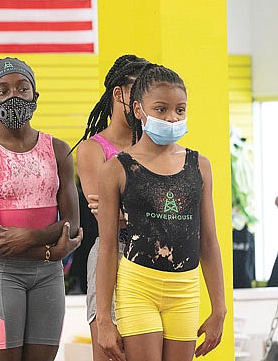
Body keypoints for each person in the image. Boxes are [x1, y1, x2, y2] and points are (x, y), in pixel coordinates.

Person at [96, 64, 226, 361]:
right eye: (161, 109)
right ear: (139, 109)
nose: (172, 118)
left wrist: (219, 308)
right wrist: (104, 318)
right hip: (138, 286)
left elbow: (209, 241)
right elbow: (106, 248)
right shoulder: (117, 168)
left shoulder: (199, 165)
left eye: (180, 110)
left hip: (185, 289)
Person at [0, 57, 83, 361]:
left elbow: (72, 222)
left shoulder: (58, 150)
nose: (14, 95)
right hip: (4, 274)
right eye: (2, 91)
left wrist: (31, 238)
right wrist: (50, 248)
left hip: (49, 275)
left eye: (23, 88)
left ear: (35, 96)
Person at [73, 54, 149, 361]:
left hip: (156, 257)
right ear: (119, 94)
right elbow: (107, 217)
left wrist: (126, 208)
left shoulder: (156, 146)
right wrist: (156, 211)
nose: (147, 102)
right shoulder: (93, 149)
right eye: (140, 92)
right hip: (112, 255)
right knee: (112, 352)